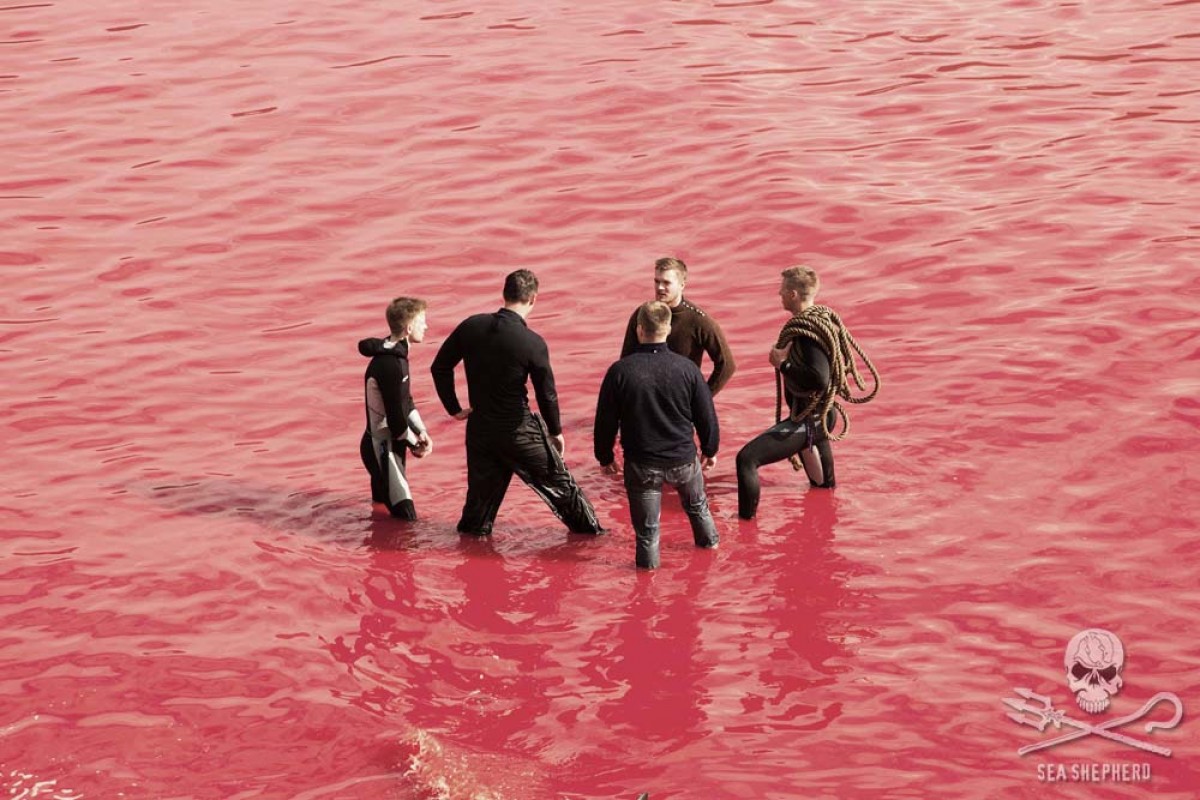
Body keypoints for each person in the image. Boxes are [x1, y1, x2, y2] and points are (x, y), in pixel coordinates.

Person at [430, 269, 603, 536]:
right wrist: (555, 431)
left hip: (480, 431)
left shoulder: (471, 326)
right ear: (533, 299)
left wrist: (454, 408)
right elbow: (547, 394)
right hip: (518, 432)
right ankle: (595, 541)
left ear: (504, 293)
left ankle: (470, 553)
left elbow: (440, 367)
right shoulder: (532, 343)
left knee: (478, 512)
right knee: (565, 492)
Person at [596, 300, 720, 569]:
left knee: (647, 533)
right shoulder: (688, 369)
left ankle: (646, 588)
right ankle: (711, 565)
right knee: (698, 509)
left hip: (643, 466)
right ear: (668, 329)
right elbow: (706, 415)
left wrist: (604, 457)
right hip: (684, 461)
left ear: (639, 329)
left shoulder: (620, 371)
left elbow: (605, 421)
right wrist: (710, 449)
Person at [736, 267, 836, 520]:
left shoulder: (807, 333)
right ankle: (826, 525)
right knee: (824, 489)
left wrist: (783, 364)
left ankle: (745, 528)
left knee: (746, 459)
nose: (779, 294)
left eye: (782, 290)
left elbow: (820, 379)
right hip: (817, 416)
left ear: (793, 294)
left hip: (810, 421)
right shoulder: (819, 321)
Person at [359, 297, 433, 520]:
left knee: (380, 514)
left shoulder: (391, 353)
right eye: (422, 321)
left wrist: (422, 430)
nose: (426, 326)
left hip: (384, 445)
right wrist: (416, 445)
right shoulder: (393, 364)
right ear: (409, 328)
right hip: (382, 449)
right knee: (408, 523)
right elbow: (396, 420)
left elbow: (405, 401)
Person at [619, 257, 736, 395]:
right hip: (646, 398)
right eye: (657, 281)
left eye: (666, 283)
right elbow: (626, 361)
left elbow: (727, 365)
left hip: (680, 399)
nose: (659, 287)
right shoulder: (643, 314)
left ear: (682, 285)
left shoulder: (699, 321)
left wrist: (702, 398)